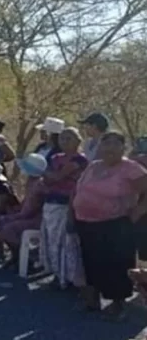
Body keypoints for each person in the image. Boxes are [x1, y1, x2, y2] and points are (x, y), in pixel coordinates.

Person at [72, 131, 147, 320]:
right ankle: (93, 299)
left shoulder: (130, 168)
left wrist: (139, 210)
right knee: (92, 261)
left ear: (123, 148)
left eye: (115, 144)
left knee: (116, 265)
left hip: (116, 223)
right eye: (106, 143)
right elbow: (79, 189)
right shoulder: (93, 166)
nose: (110, 148)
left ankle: (118, 304)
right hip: (86, 221)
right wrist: (71, 214)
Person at [39, 126, 87, 291]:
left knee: (66, 241)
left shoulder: (80, 160)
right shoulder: (55, 157)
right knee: (51, 240)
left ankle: (71, 278)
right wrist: (47, 176)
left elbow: (57, 177)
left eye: (69, 138)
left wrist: (43, 172)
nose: (65, 142)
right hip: (51, 201)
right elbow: (47, 180)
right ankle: (56, 274)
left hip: (67, 202)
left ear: (78, 141)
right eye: (62, 138)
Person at [0, 153, 47, 268]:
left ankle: (25, 258)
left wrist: (11, 216)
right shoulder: (32, 182)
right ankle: (15, 255)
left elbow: (29, 211)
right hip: (28, 215)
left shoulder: (38, 185)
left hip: (36, 219)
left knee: (7, 227)